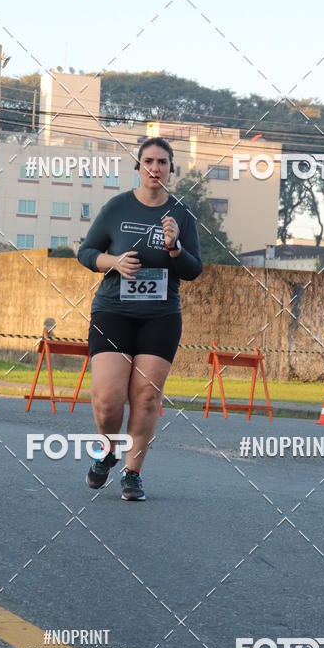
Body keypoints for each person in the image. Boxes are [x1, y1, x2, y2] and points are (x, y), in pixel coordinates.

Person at [77, 137, 202, 501]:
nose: (155, 168)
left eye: (162, 162)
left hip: (160, 316)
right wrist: (113, 262)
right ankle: (108, 451)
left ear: (170, 169)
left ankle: (132, 473)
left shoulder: (181, 214)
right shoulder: (117, 207)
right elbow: (86, 252)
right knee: (108, 398)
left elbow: (194, 270)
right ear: (138, 167)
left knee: (146, 396)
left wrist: (175, 248)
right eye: (148, 161)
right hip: (113, 311)